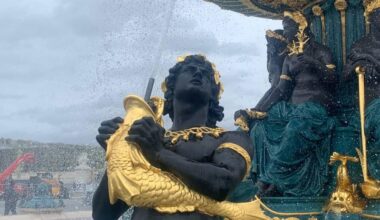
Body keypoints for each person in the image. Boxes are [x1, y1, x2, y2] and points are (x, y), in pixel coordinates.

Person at [92, 55, 253, 220]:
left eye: (205, 74)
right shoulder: (145, 139)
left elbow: (222, 184)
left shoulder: (231, 138)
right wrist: (118, 150)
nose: (198, 72)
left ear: (213, 93)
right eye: (190, 70)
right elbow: (103, 214)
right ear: (172, 86)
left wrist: (160, 153)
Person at [237, 10, 337, 197]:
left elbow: (333, 79)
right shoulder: (290, 59)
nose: (286, 33)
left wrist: (313, 63)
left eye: (288, 28)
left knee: (296, 126)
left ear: (302, 26)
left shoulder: (321, 51)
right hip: (291, 108)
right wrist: (255, 111)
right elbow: (280, 89)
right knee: (261, 125)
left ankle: (270, 179)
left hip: (314, 108)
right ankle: (257, 175)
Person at [343, 4, 380, 179]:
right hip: (368, 105)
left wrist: (369, 58)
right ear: (371, 18)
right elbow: (343, 75)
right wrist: (359, 67)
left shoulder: (363, 51)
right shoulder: (360, 45)